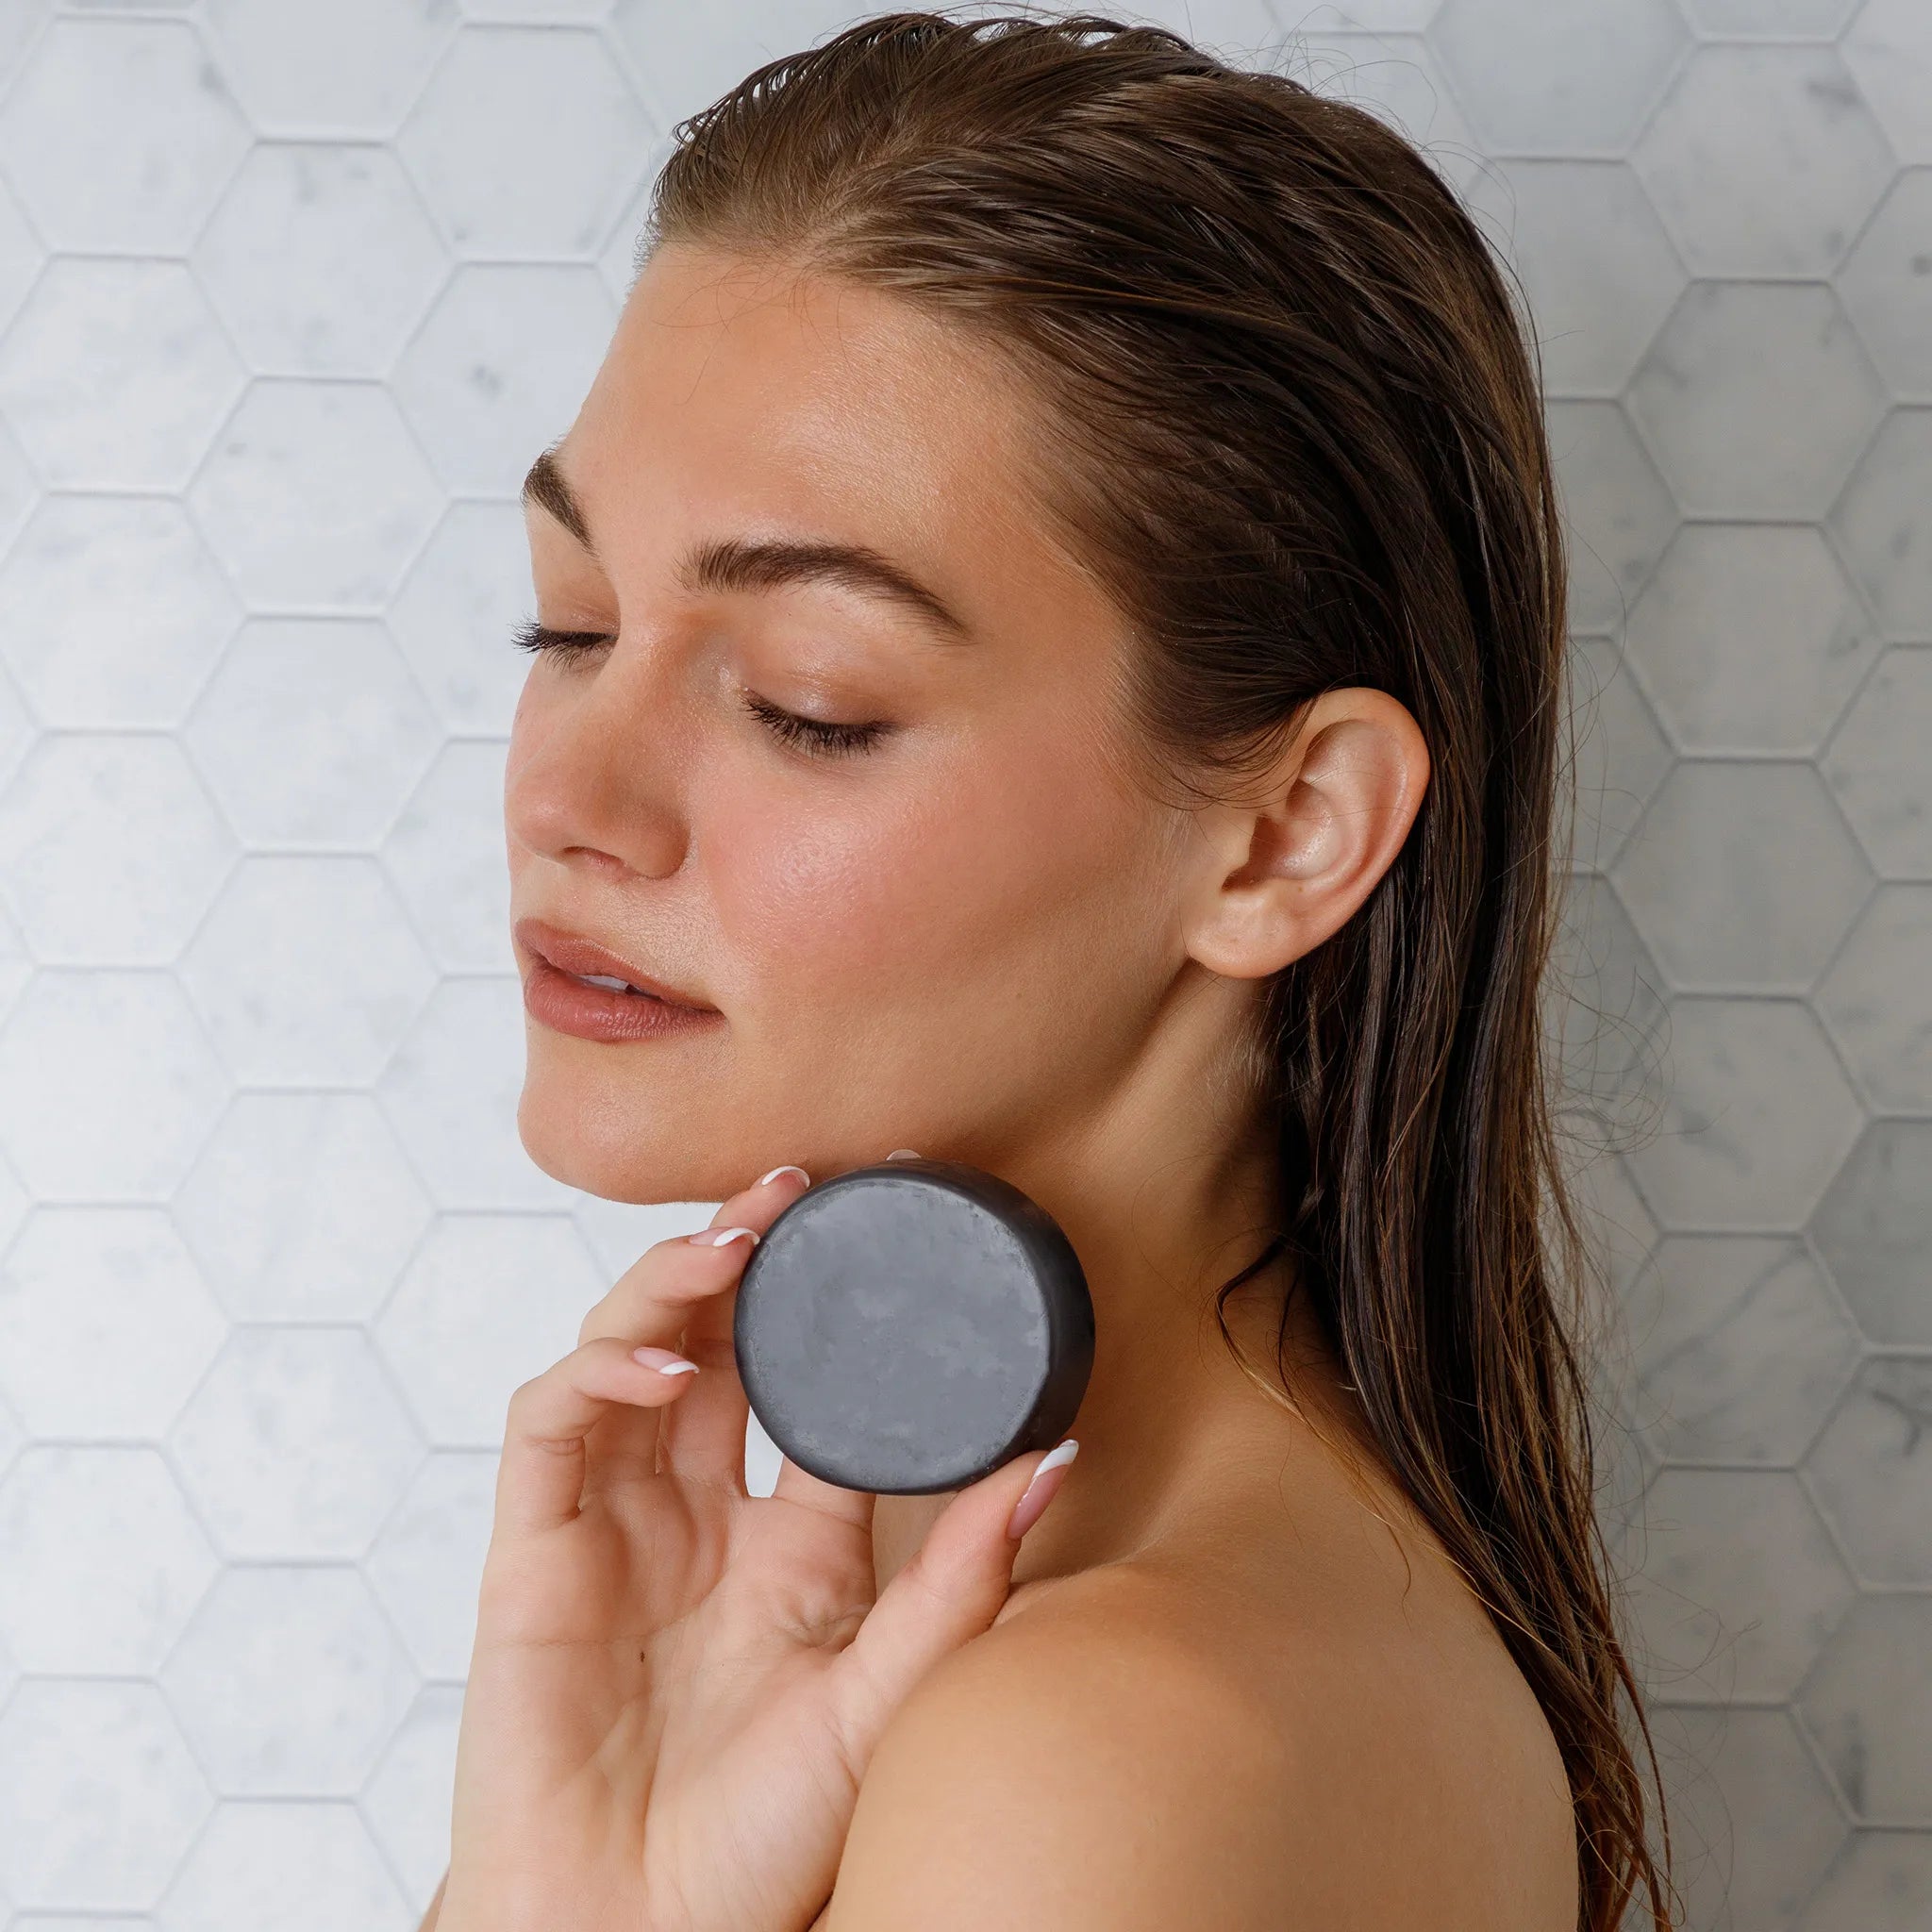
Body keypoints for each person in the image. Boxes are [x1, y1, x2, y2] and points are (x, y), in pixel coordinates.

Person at [419, 10, 1673, 1929]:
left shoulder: (1094, 1743)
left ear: (1285, 833)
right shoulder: (1206, 1646)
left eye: (804, 702)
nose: (567, 796)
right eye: (571, 621)